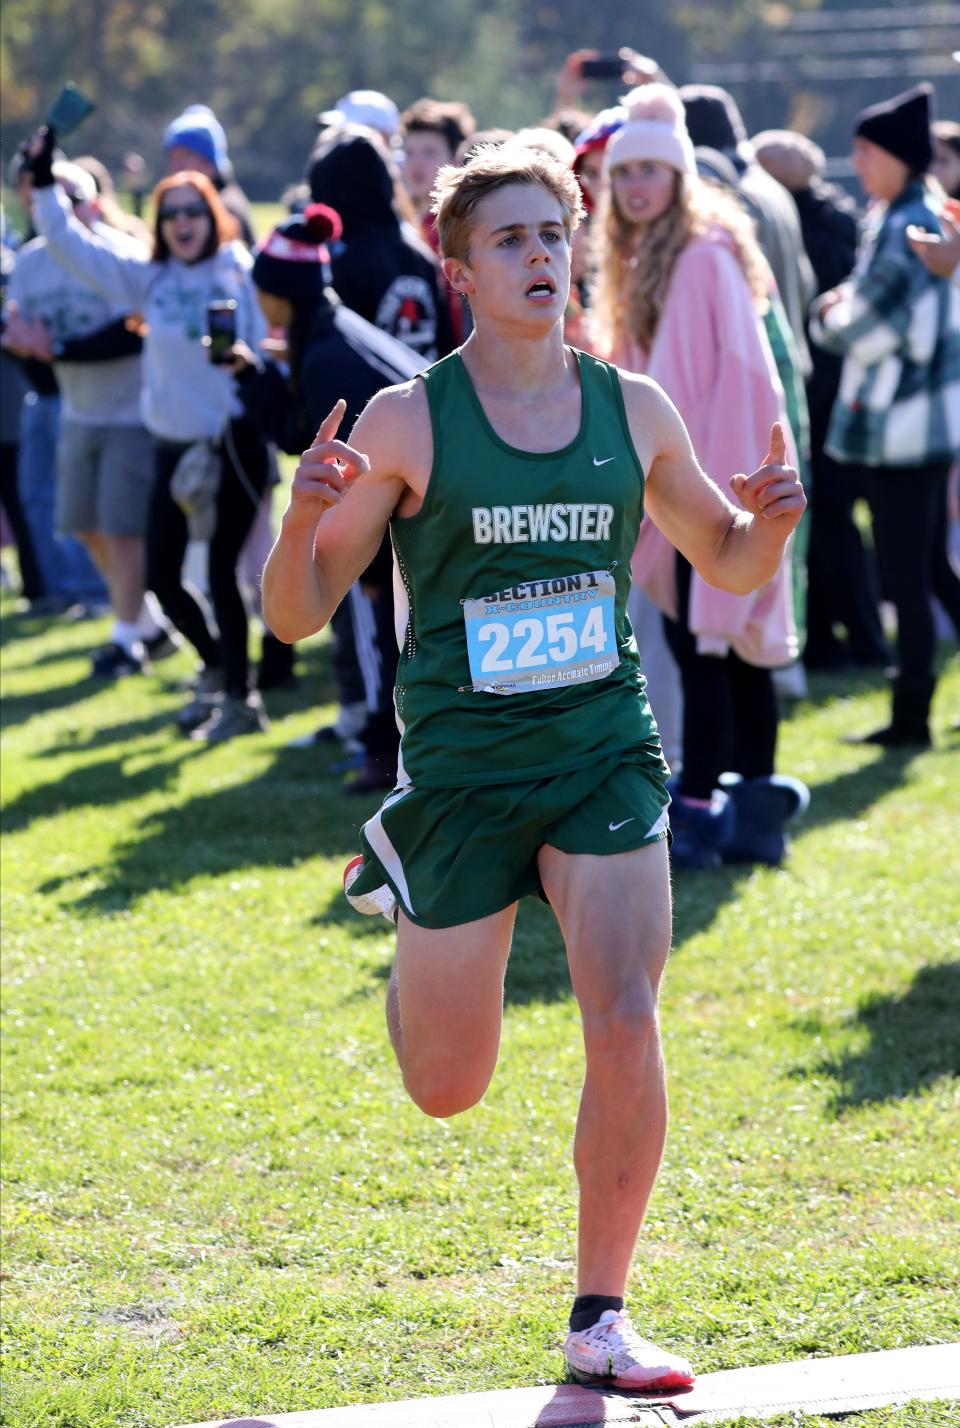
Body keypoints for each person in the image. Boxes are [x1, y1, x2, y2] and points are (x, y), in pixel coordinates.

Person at [262, 142, 805, 1389]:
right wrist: (301, 520)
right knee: (448, 1087)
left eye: (554, 234)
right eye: (509, 240)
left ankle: (601, 1316)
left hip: (602, 756)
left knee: (625, 1017)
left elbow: (719, 560)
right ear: (461, 272)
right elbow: (296, 614)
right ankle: (403, 885)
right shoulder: (408, 421)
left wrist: (764, 529)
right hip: (460, 776)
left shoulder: (634, 407)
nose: (540, 257)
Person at [591, 86, 807, 868]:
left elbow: (744, 383)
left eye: (651, 170)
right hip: (681, 480)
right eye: (623, 174)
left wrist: (713, 501)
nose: (635, 186)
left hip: (715, 483)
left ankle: (717, 811)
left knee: (717, 645)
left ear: (681, 175)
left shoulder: (704, 255)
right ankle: (746, 812)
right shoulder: (650, 256)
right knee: (714, 649)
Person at [27, 129, 273, 740]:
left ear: (211, 216)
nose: (182, 222)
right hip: (170, 444)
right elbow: (70, 247)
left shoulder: (236, 269)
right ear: (159, 224)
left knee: (220, 575)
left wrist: (246, 356)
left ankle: (242, 701)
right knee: (163, 576)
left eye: (194, 211)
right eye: (171, 214)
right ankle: (218, 670)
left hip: (230, 442)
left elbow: (273, 346)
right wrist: (42, 187)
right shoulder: (149, 279)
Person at [235, 203, 425, 789]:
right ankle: (384, 742)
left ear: (280, 293)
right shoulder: (334, 328)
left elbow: (317, 445)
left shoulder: (322, 356)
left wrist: (254, 380)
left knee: (376, 636)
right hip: (416, 502)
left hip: (388, 516)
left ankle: (381, 752)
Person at [810, 84, 960, 747]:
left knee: (908, 574)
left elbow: (863, 328)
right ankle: (912, 713)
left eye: (866, 149)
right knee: (929, 569)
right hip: (917, 424)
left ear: (898, 156)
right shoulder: (902, 214)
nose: (857, 160)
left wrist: (825, 312)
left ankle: (909, 721)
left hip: (905, 430)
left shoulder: (905, 224)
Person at [2, 160, 162, 677]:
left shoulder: (121, 255)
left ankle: (126, 639)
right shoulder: (28, 264)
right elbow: (30, 342)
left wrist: (56, 350)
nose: (61, 209)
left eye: (73, 197)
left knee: (121, 531)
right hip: (74, 410)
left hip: (128, 412)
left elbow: (131, 333)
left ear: (93, 203)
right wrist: (26, 348)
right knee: (84, 527)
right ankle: (150, 625)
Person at [753, 129, 890, 672]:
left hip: (820, 391)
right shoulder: (841, 218)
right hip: (844, 388)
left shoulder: (806, 224)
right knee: (839, 521)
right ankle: (862, 638)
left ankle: (843, 642)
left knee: (826, 519)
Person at [679, 85, 815, 380]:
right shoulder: (772, 187)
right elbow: (806, 287)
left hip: (753, 373)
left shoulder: (728, 199)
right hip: (787, 366)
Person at [308, 127, 453, 363]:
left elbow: (339, 355)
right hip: (428, 391)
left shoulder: (347, 262)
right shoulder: (419, 253)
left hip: (374, 397)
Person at [163, 104, 256, 247]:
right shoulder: (208, 200)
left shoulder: (226, 208)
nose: (175, 167)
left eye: (183, 158)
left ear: (208, 160)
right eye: (173, 158)